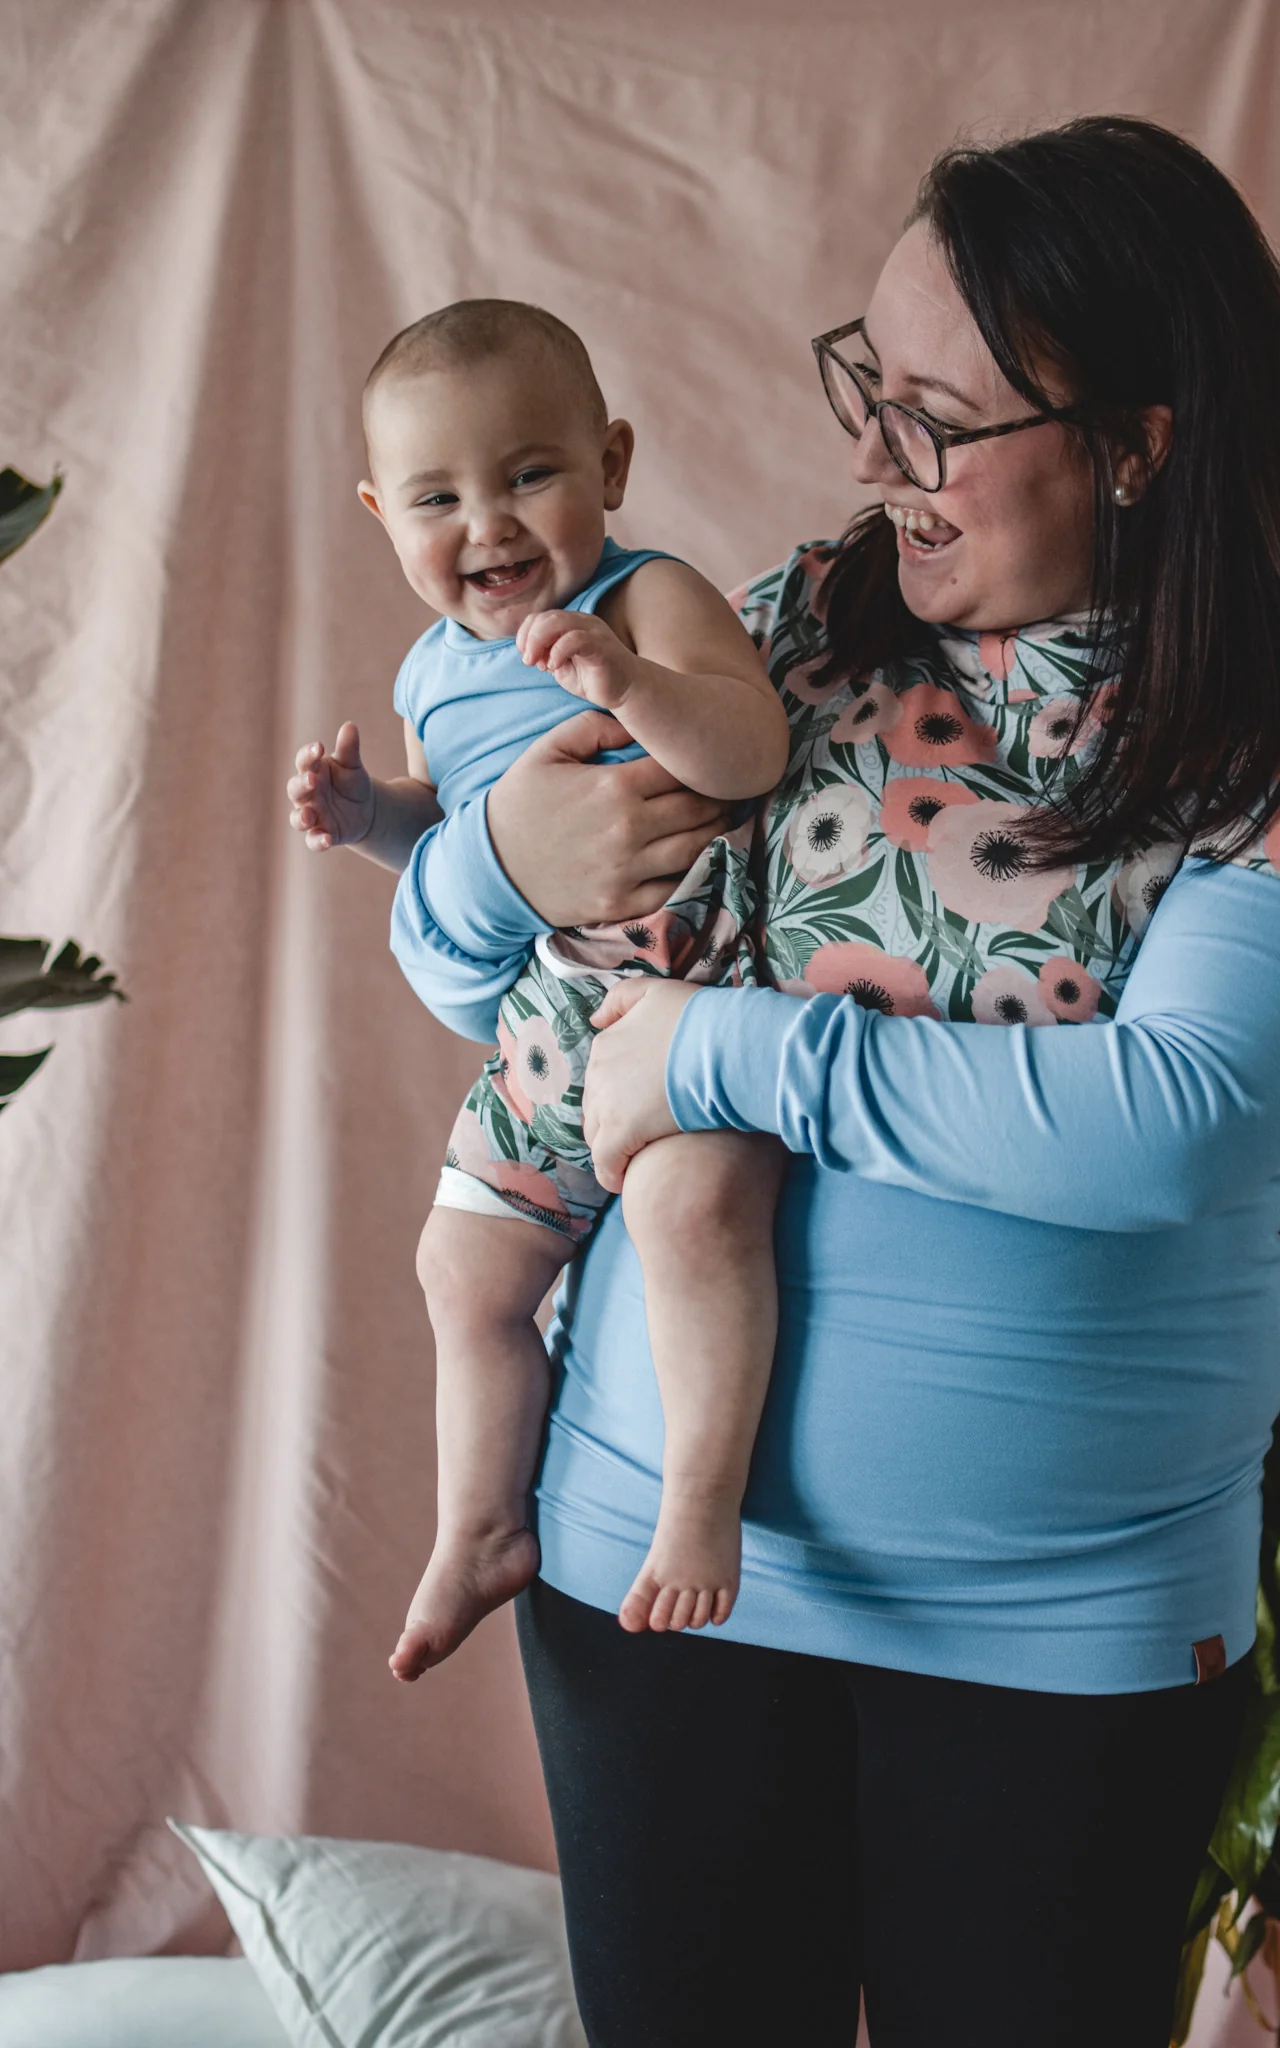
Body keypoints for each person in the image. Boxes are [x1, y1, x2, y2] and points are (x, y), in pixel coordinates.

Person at [389, 118, 1280, 2046]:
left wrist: (729, 1051)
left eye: (937, 421)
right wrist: (485, 863)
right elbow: (497, 987)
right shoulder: (809, 619)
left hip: (1059, 1630)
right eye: (870, 387)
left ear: (1137, 442)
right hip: (649, 1573)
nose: (870, 460)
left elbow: (1181, 1118)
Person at [286, 300, 791, 1677]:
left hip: (688, 1007)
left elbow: (749, 747)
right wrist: (369, 819)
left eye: (528, 474)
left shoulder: (646, 595)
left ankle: (699, 1505)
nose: (489, 525)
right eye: (438, 498)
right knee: (460, 1270)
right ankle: (482, 1525)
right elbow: (454, 835)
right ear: (382, 515)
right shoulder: (431, 672)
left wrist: (634, 684)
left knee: (696, 1215)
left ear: (610, 465)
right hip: (544, 1032)